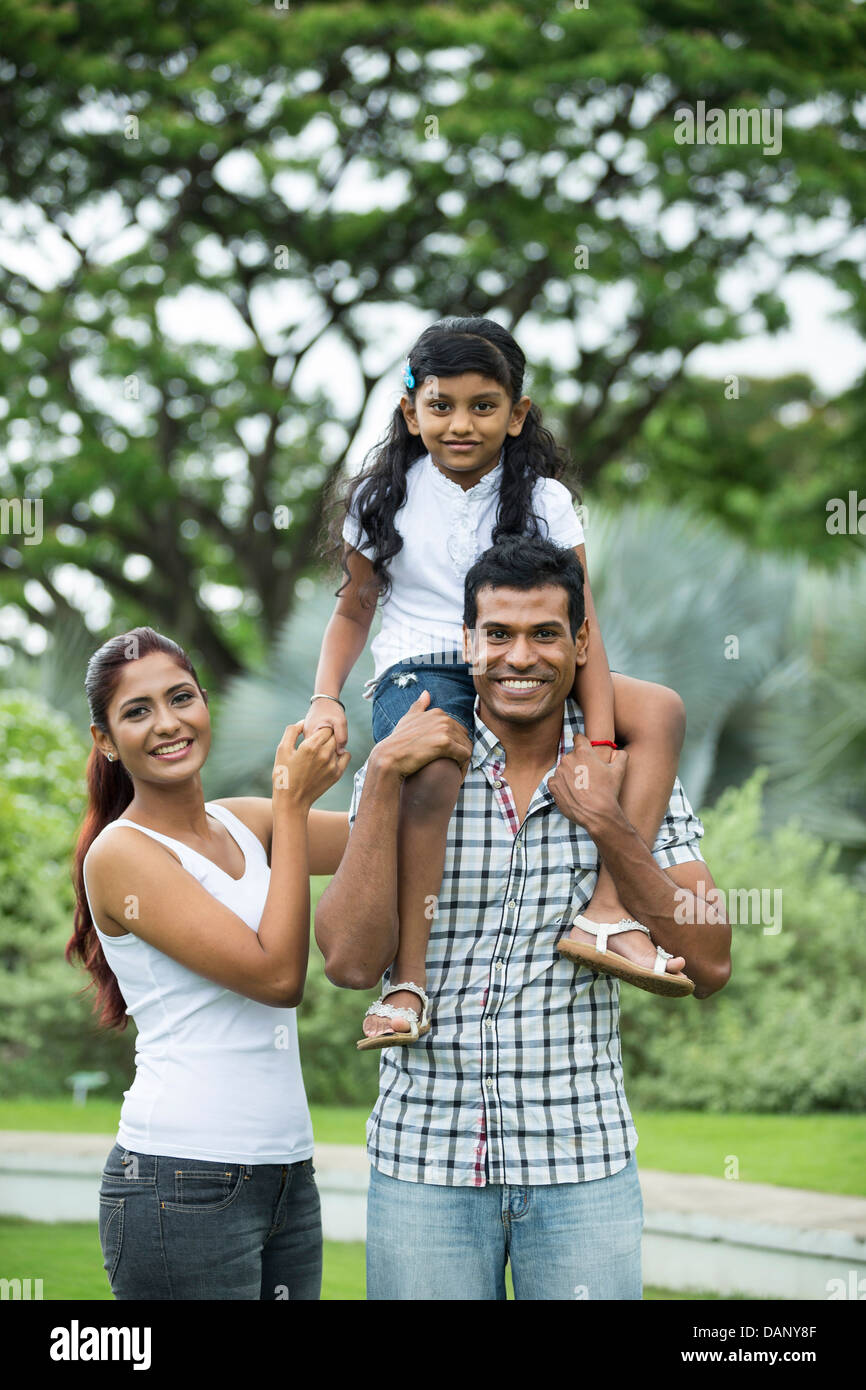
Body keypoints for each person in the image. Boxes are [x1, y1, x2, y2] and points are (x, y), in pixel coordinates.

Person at [315, 536, 731, 1301]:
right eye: (498, 634)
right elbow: (345, 963)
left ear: (580, 643)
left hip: (581, 1168)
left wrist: (610, 826)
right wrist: (377, 774)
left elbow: (709, 964)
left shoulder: (626, 769)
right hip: (425, 1165)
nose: (520, 657)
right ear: (467, 642)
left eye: (545, 634)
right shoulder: (417, 763)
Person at [306, 316, 692, 1050]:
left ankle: (607, 916)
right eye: (441, 404)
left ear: (516, 415)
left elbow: (585, 624)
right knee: (434, 767)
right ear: (409, 410)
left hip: (530, 653)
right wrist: (327, 694)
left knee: (662, 712)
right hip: (425, 661)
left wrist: (604, 739)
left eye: (484, 405)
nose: (461, 423)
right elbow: (354, 610)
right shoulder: (379, 500)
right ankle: (409, 980)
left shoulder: (543, 498)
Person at [69, 625, 466, 1300]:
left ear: (204, 705)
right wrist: (291, 801)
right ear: (105, 740)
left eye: (181, 697)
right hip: (177, 1179)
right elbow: (279, 978)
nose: (168, 723)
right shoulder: (120, 855)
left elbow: (387, 836)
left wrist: (398, 756)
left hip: (284, 1174)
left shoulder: (242, 822)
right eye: (137, 711)